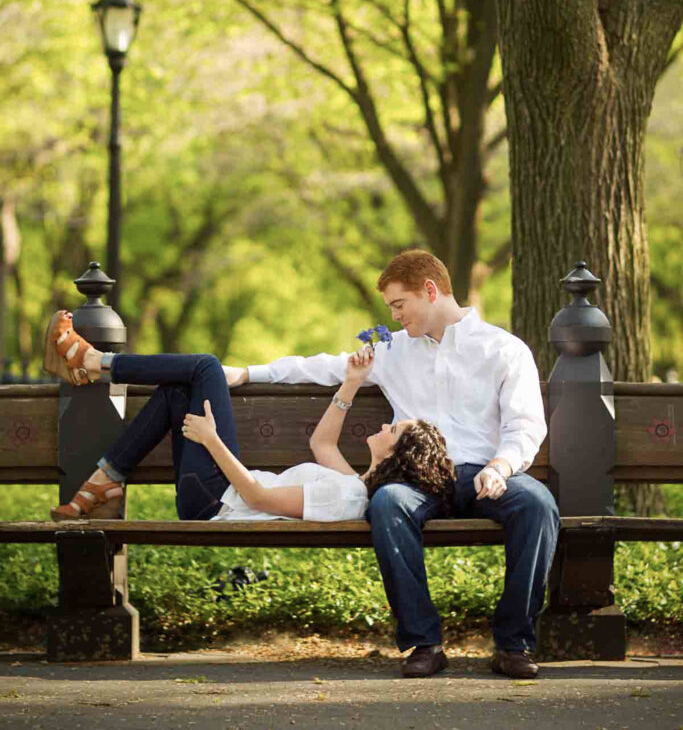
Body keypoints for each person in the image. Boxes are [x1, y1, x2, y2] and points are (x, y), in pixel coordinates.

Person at [224, 249, 560, 680]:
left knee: (538, 504)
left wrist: (501, 466)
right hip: (418, 479)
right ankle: (424, 642)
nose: (396, 316)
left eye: (400, 305)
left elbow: (526, 426)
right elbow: (322, 366)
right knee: (387, 502)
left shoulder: (504, 349)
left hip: (484, 474)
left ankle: (514, 643)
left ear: (431, 291)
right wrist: (249, 373)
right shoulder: (392, 351)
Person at [44, 311, 453, 534]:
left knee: (205, 366)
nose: (386, 426)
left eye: (394, 430)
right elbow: (322, 446)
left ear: (396, 456)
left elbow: (259, 500)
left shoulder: (347, 499)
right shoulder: (355, 486)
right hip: (215, 495)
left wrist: (211, 439)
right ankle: (108, 478)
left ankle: (94, 362)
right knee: (174, 391)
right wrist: (350, 383)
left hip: (214, 502)